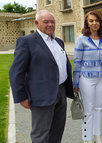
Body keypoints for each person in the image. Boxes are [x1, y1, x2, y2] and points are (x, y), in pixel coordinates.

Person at [9, 10, 74, 143]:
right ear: (37, 23)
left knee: (57, 131)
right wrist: (21, 97)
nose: (50, 24)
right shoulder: (26, 41)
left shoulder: (59, 42)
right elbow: (16, 72)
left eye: (52, 22)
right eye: (46, 22)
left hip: (61, 92)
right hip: (41, 95)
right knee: (40, 135)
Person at [73, 12, 102, 143]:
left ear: (100, 22)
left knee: (98, 108)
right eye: (91, 21)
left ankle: (97, 135)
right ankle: (87, 138)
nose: (94, 23)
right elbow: (77, 61)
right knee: (88, 109)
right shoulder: (81, 39)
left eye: (96, 21)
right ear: (87, 23)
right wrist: (75, 83)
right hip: (86, 78)